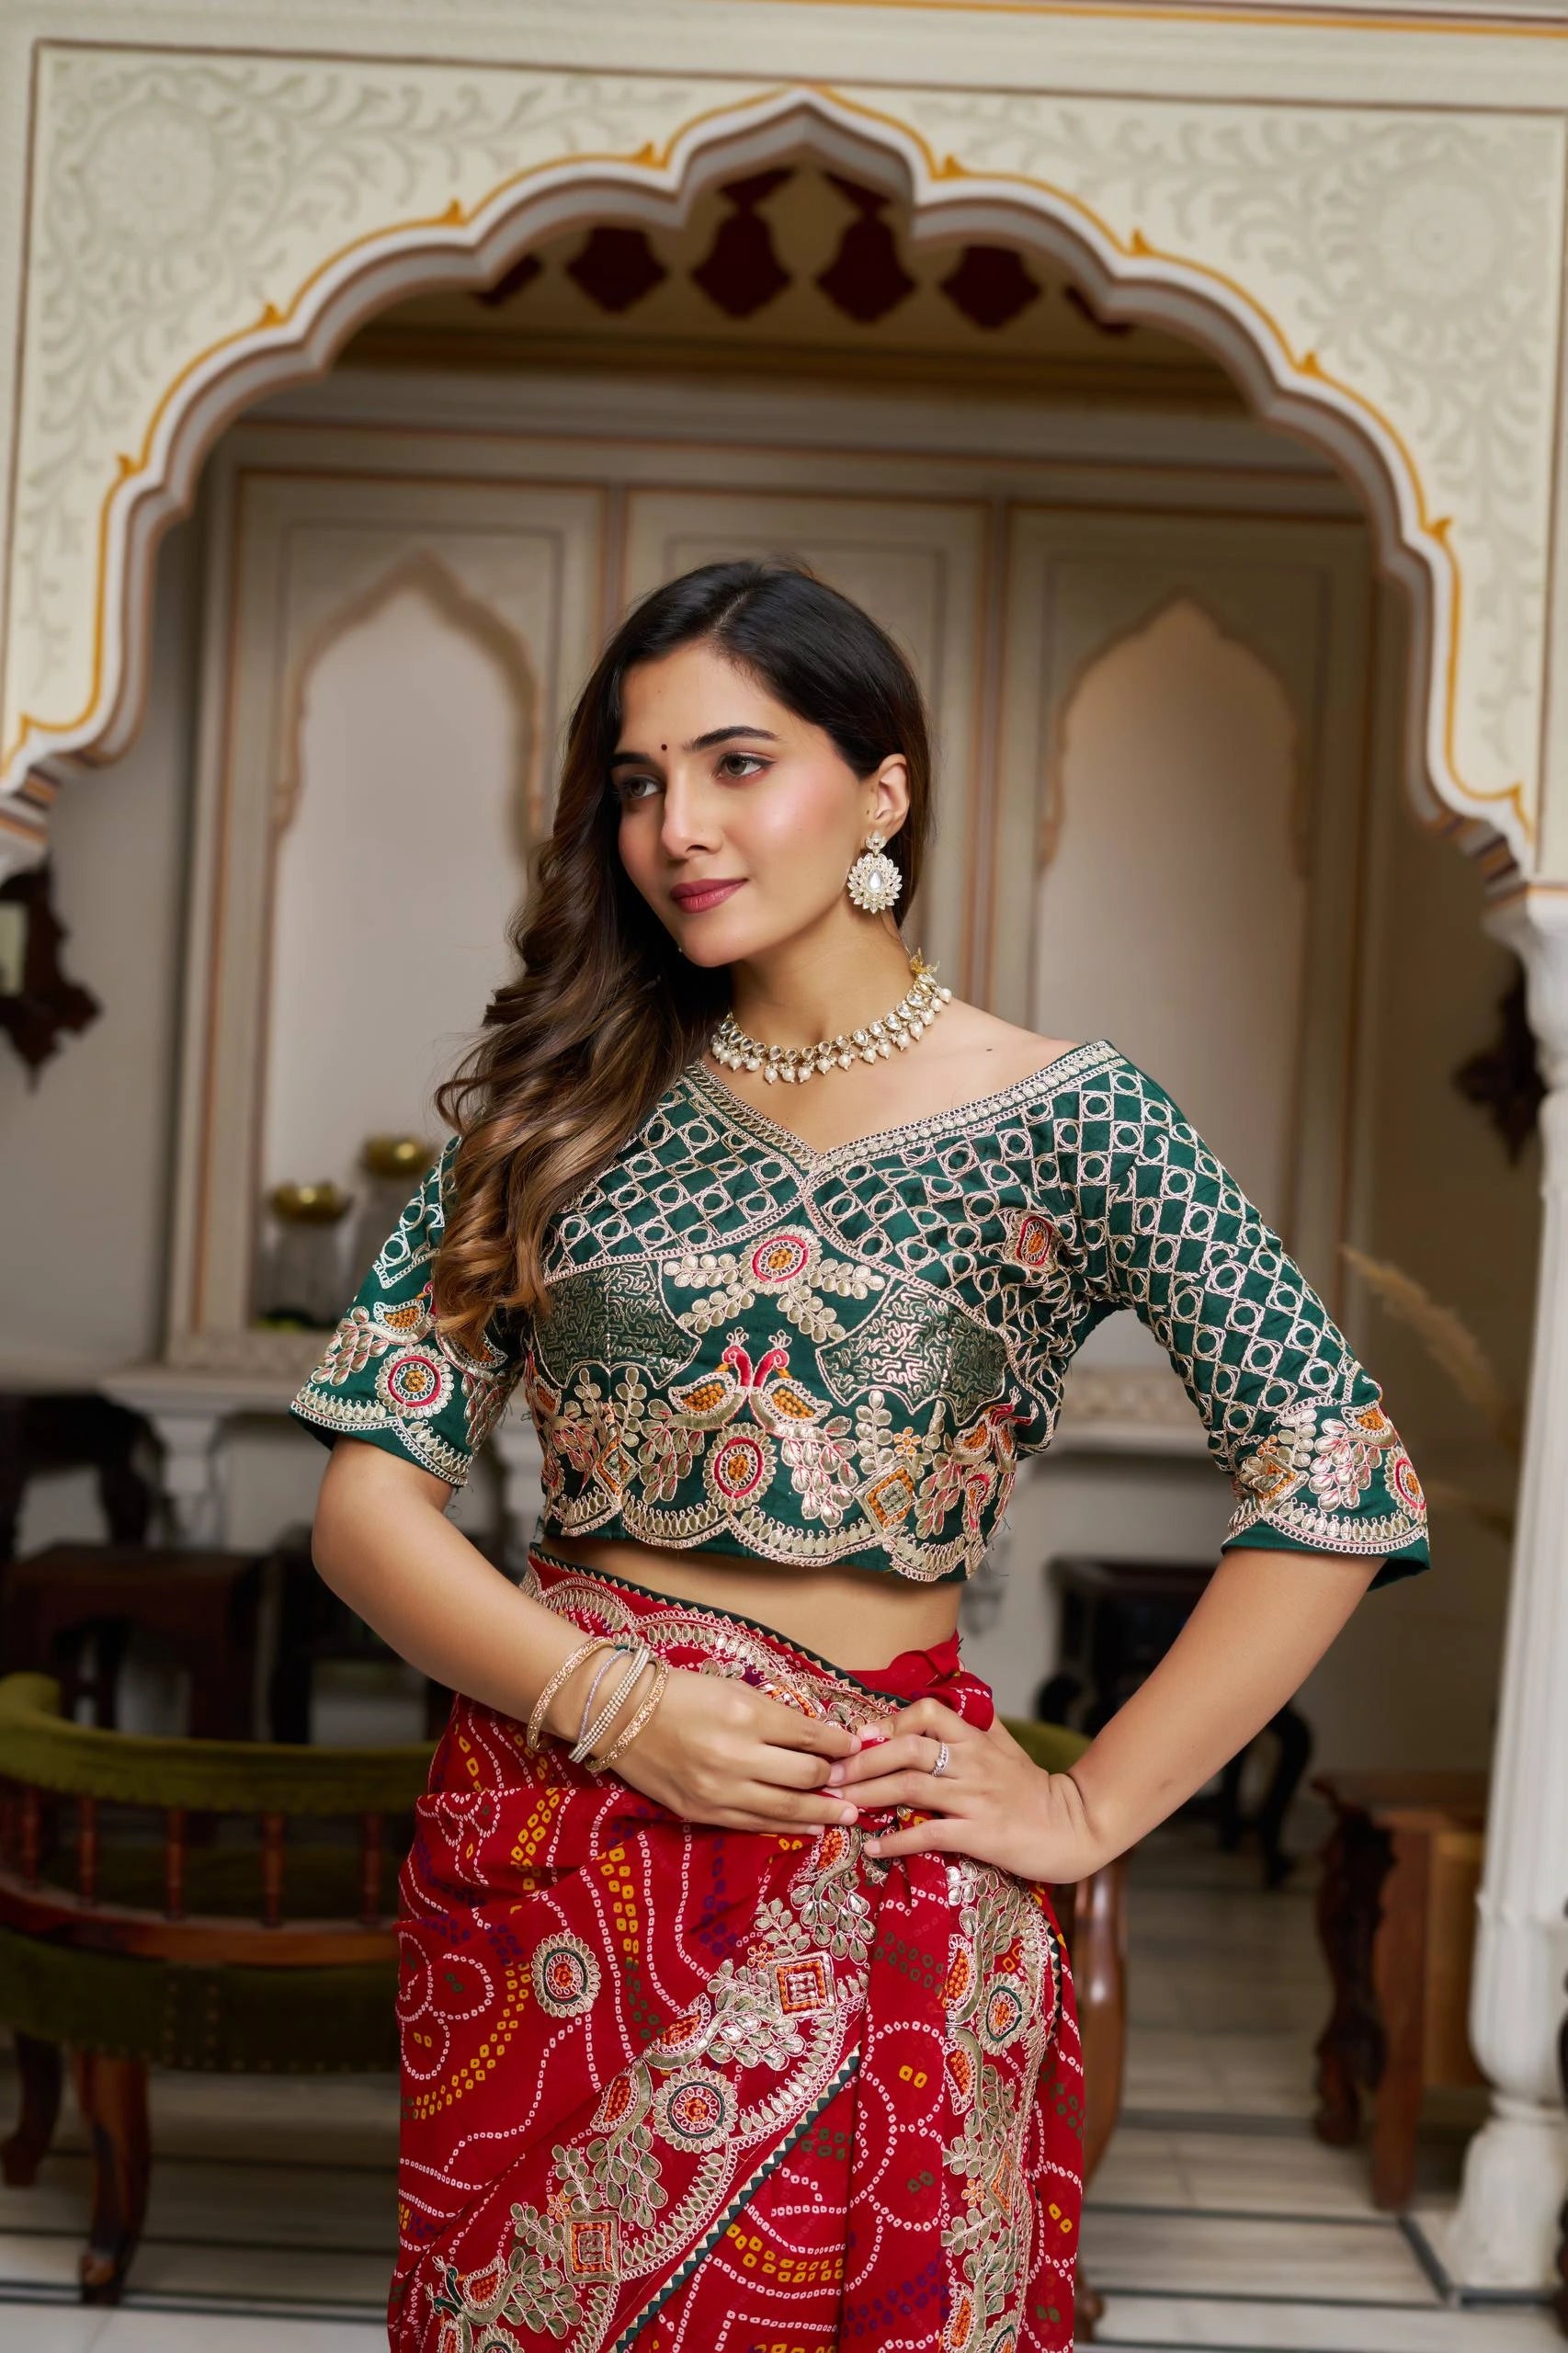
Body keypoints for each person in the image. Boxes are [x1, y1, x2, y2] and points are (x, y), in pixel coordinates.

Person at [289, 558, 1430, 2353]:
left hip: (883, 1851)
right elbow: (365, 1504)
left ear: (879, 786)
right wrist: (612, 1701)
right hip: (566, 1850)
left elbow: (1336, 1474)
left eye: (738, 762)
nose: (679, 825)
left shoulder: (1072, 1119)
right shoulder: (557, 1103)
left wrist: (1085, 1803)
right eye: (639, 780)